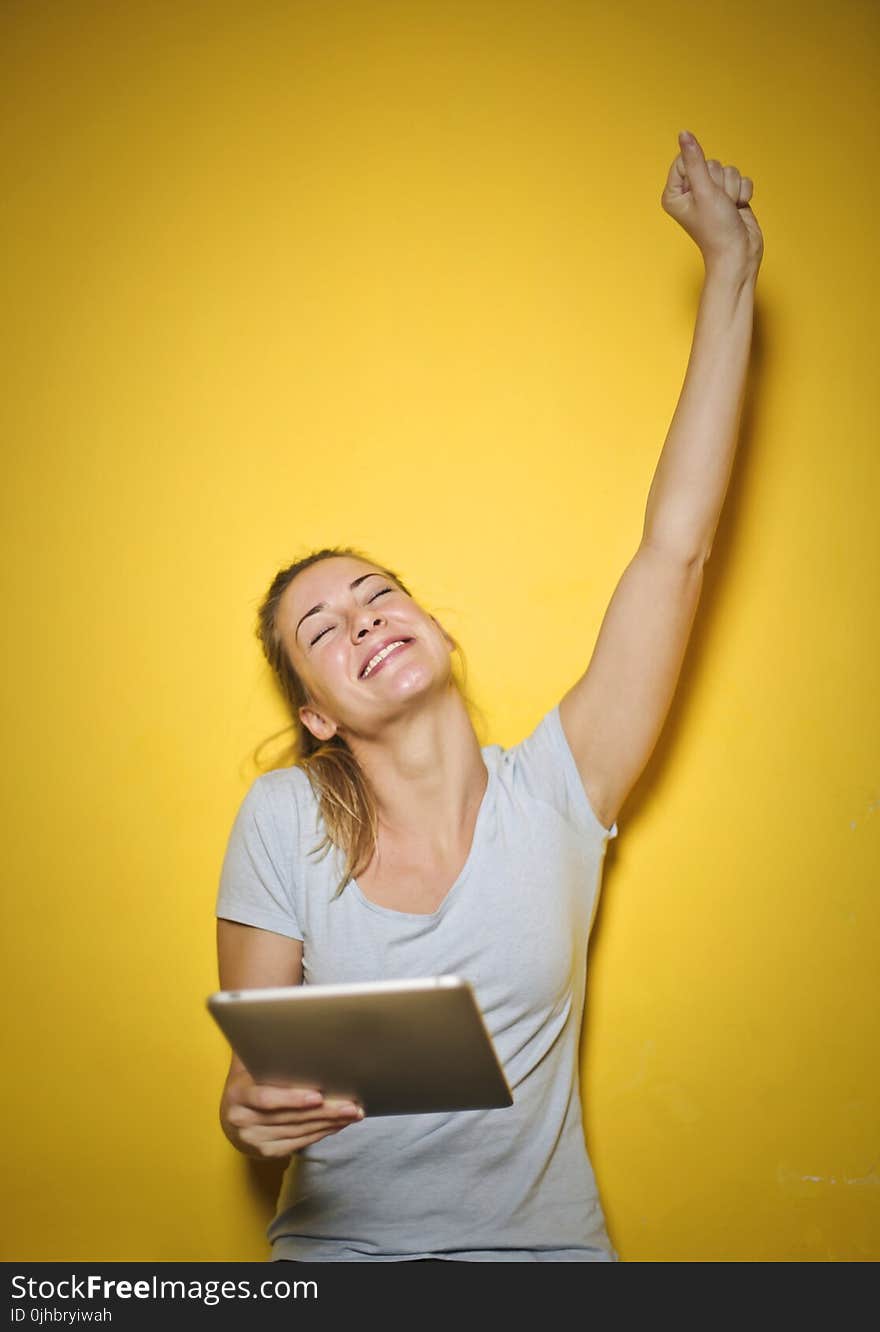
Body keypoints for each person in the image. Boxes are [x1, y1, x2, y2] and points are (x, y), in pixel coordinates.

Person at [214, 131, 763, 1262]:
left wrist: (730, 270)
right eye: (323, 628)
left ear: (434, 630)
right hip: (339, 1265)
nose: (362, 617)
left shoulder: (561, 792)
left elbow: (676, 549)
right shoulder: (282, 822)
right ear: (316, 712)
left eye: (377, 595)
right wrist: (245, 1115)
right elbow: (256, 1094)